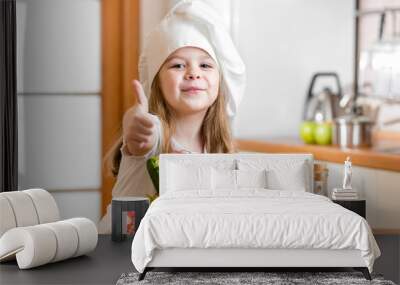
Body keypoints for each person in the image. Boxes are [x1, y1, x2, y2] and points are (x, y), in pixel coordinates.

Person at [97, 0, 246, 234]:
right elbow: (138, 136)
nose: (194, 73)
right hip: (117, 254)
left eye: (206, 65)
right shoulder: (153, 135)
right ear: (156, 81)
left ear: (221, 81)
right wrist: (135, 126)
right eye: (177, 65)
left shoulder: (218, 149)